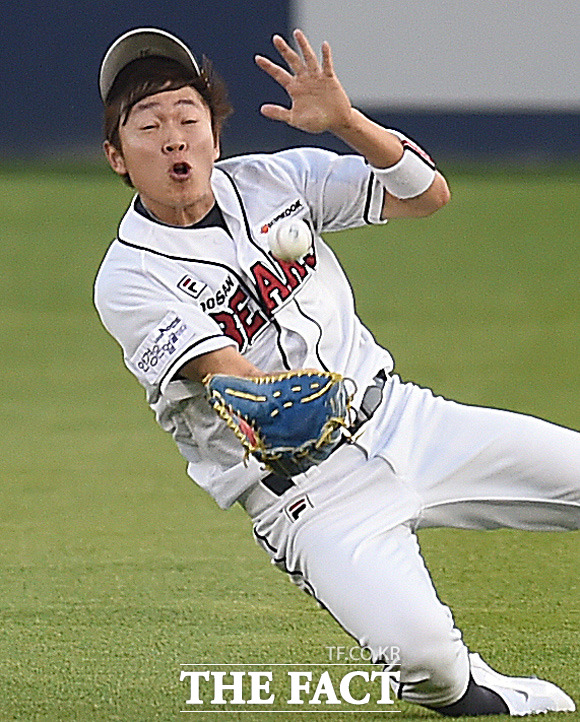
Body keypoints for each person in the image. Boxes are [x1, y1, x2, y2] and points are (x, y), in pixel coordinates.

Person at [94, 27, 579, 716]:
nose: (173, 137)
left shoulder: (273, 181)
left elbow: (425, 194)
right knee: (429, 668)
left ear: (213, 134)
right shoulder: (128, 277)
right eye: (148, 125)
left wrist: (348, 123)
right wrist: (277, 397)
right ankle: (490, 694)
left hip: (407, 420)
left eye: (186, 116)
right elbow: (232, 381)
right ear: (117, 155)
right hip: (312, 498)